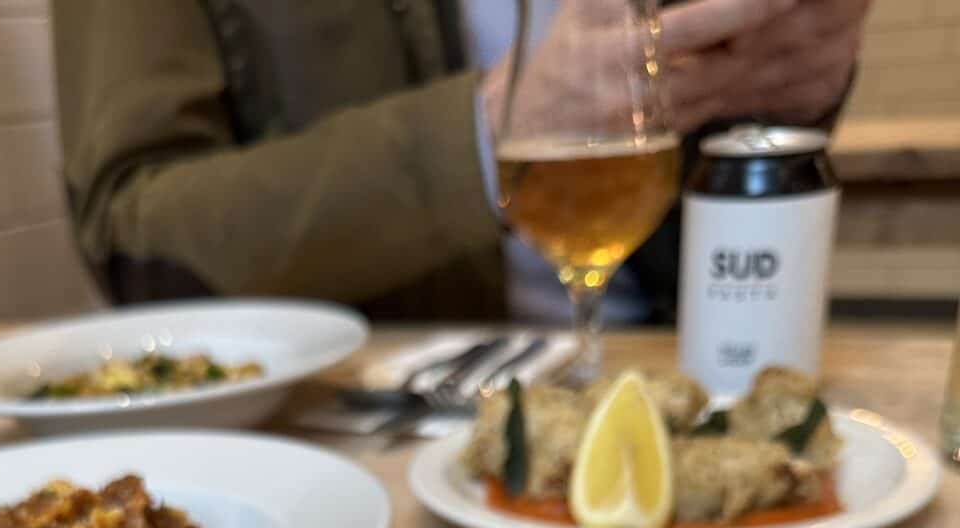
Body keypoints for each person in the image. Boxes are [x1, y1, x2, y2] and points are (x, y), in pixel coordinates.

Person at [52, 0, 870, 323]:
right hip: (371, 453)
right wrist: (484, 137)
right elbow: (133, 239)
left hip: (669, 374)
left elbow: (674, 173)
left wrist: (786, 102)